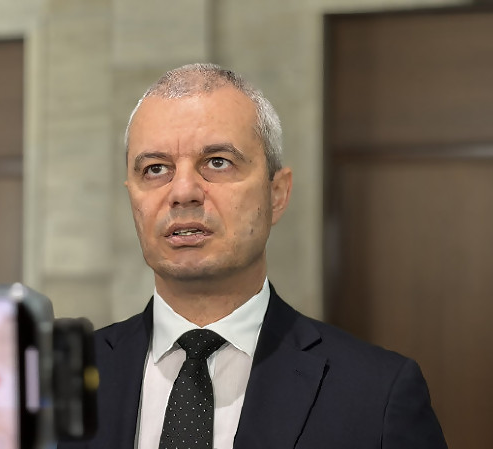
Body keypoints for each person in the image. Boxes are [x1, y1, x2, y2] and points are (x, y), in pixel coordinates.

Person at [59, 63, 447, 449]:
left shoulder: (377, 396)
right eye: (155, 168)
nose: (183, 192)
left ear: (277, 193)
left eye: (217, 162)